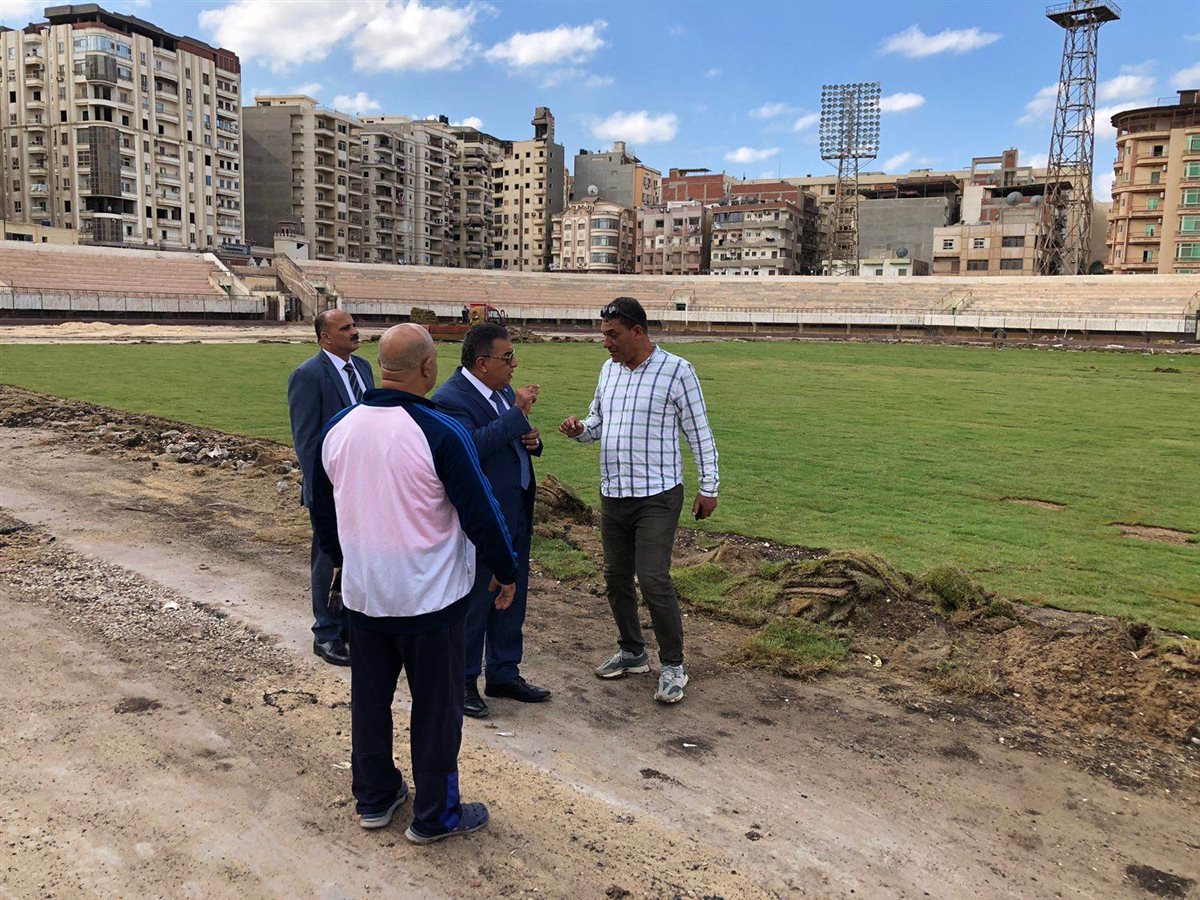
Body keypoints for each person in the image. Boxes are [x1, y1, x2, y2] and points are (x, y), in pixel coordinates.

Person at [309, 323, 518, 843]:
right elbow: (481, 512)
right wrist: (507, 570)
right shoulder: (439, 430)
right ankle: (436, 814)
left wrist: (343, 561)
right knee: (437, 711)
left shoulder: (339, 427)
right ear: (428, 367)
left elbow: (322, 509)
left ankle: (374, 796)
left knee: (370, 703)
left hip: (366, 596)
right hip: (430, 601)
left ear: (382, 366)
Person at [559, 297, 719, 705]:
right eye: (604, 335)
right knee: (615, 577)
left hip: (658, 495)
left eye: (613, 335)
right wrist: (580, 429)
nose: (606, 343)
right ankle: (632, 652)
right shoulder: (608, 371)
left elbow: (699, 433)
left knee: (652, 578)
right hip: (614, 493)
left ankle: (674, 665)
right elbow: (598, 422)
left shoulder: (677, 371)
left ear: (637, 331)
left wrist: (709, 487)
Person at [433, 323, 550, 719]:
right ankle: (464, 678)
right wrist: (516, 416)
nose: (514, 364)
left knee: (512, 595)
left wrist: (531, 440)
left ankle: (503, 672)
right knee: (478, 598)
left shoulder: (500, 391)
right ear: (482, 363)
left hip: (515, 510)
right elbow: (469, 447)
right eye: (507, 357)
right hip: (483, 518)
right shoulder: (451, 399)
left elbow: (507, 437)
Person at [288, 309, 374, 666]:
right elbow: (307, 442)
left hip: (365, 483)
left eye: (354, 325)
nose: (355, 331)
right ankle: (325, 633)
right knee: (329, 558)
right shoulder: (308, 376)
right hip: (332, 487)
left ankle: (350, 626)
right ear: (325, 337)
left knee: (360, 556)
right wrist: (323, 491)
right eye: (346, 328)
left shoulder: (363, 368)